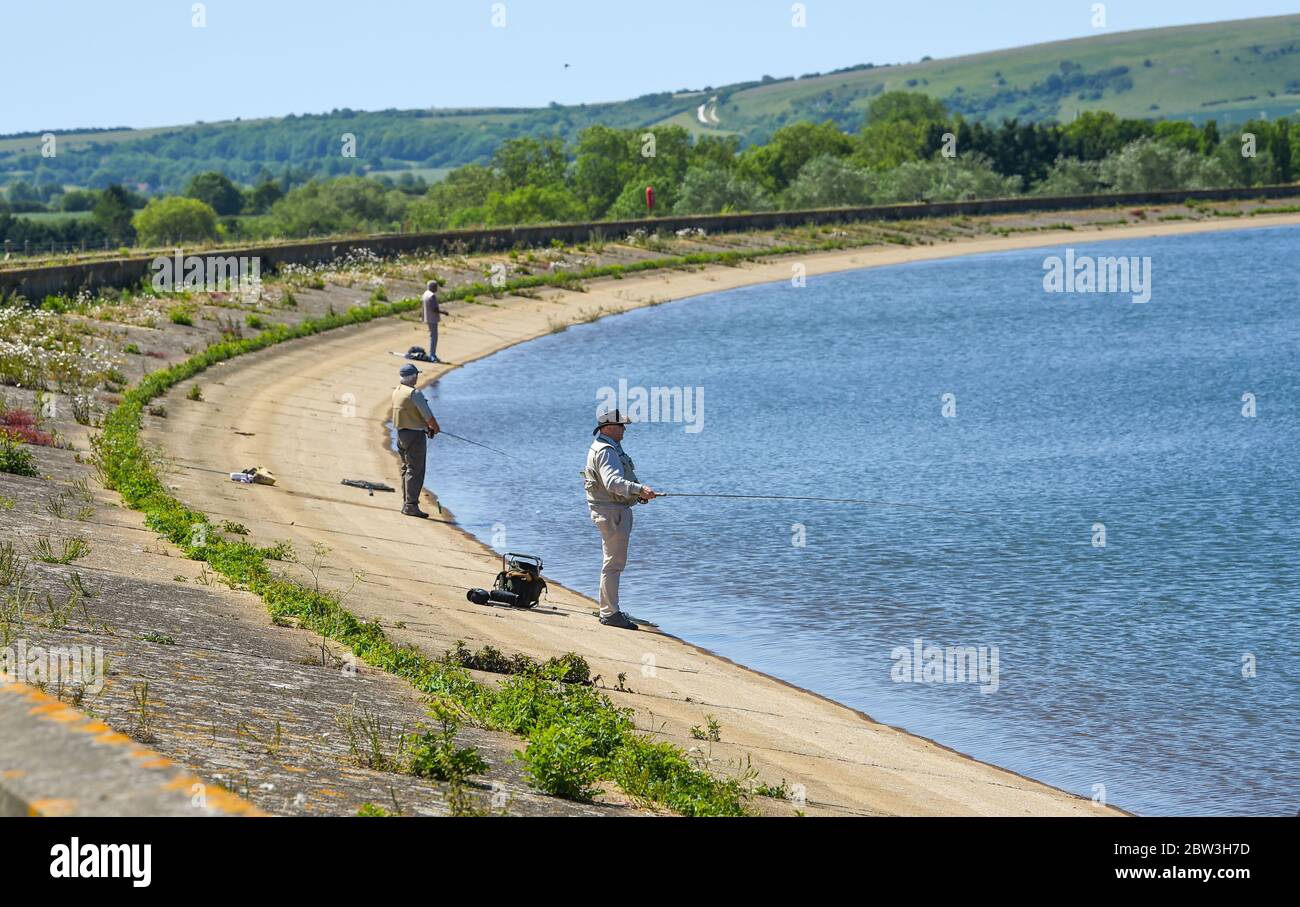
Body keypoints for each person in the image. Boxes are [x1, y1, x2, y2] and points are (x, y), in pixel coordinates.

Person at [584, 409, 657, 629]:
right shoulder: (606, 451)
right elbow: (613, 482)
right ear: (608, 428)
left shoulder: (601, 447)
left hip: (610, 510)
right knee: (614, 564)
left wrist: (636, 495)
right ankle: (609, 613)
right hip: (612, 512)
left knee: (612, 563)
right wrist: (639, 488)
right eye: (621, 425)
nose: (624, 429)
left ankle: (609, 608)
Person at [391, 363, 440, 518]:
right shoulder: (414, 393)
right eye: (416, 375)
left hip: (400, 435)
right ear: (413, 377)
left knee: (407, 468)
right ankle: (411, 506)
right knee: (416, 470)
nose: (417, 378)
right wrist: (435, 428)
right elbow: (428, 416)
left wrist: (426, 427)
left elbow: (409, 413)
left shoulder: (397, 391)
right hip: (415, 437)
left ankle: (407, 503)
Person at [421, 280, 444, 363]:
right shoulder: (432, 296)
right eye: (436, 287)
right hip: (433, 319)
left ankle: (432, 354)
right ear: (433, 287)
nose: (436, 288)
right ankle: (432, 355)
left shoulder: (425, 294)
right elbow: (435, 309)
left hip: (427, 318)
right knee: (434, 337)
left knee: (432, 336)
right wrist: (444, 312)